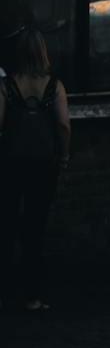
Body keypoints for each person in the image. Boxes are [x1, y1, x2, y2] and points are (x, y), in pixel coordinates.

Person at [0, 27, 70, 311]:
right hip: (44, 164)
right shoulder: (55, 86)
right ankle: (33, 296)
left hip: (11, 163)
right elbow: (64, 125)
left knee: (5, 225)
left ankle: (3, 292)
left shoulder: (7, 86)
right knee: (35, 228)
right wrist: (63, 156)